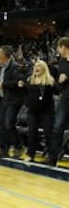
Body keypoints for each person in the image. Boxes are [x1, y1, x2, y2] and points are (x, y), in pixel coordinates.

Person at [0, 46, 25, 159]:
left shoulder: (15, 67)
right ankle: (4, 150)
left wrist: (2, 84)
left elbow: (18, 82)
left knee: (9, 124)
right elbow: (1, 81)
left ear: (4, 54)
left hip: (13, 100)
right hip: (3, 99)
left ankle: (19, 146)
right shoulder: (1, 67)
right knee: (0, 126)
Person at [17, 60, 55, 162]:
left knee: (48, 133)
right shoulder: (30, 80)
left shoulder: (49, 81)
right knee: (32, 133)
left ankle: (51, 156)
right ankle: (31, 155)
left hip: (47, 112)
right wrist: (21, 87)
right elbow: (25, 94)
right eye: (35, 66)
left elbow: (56, 91)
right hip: (33, 111)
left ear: (44, 68)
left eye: (39, 66)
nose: (36, 68)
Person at [47, 37, 69, 166]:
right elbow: (61, 86)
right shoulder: (61, 62)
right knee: (57, 128)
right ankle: (53, 158)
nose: (58, 50)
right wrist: (57, 82)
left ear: (64, 47)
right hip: (65, 98)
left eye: (59, 47)